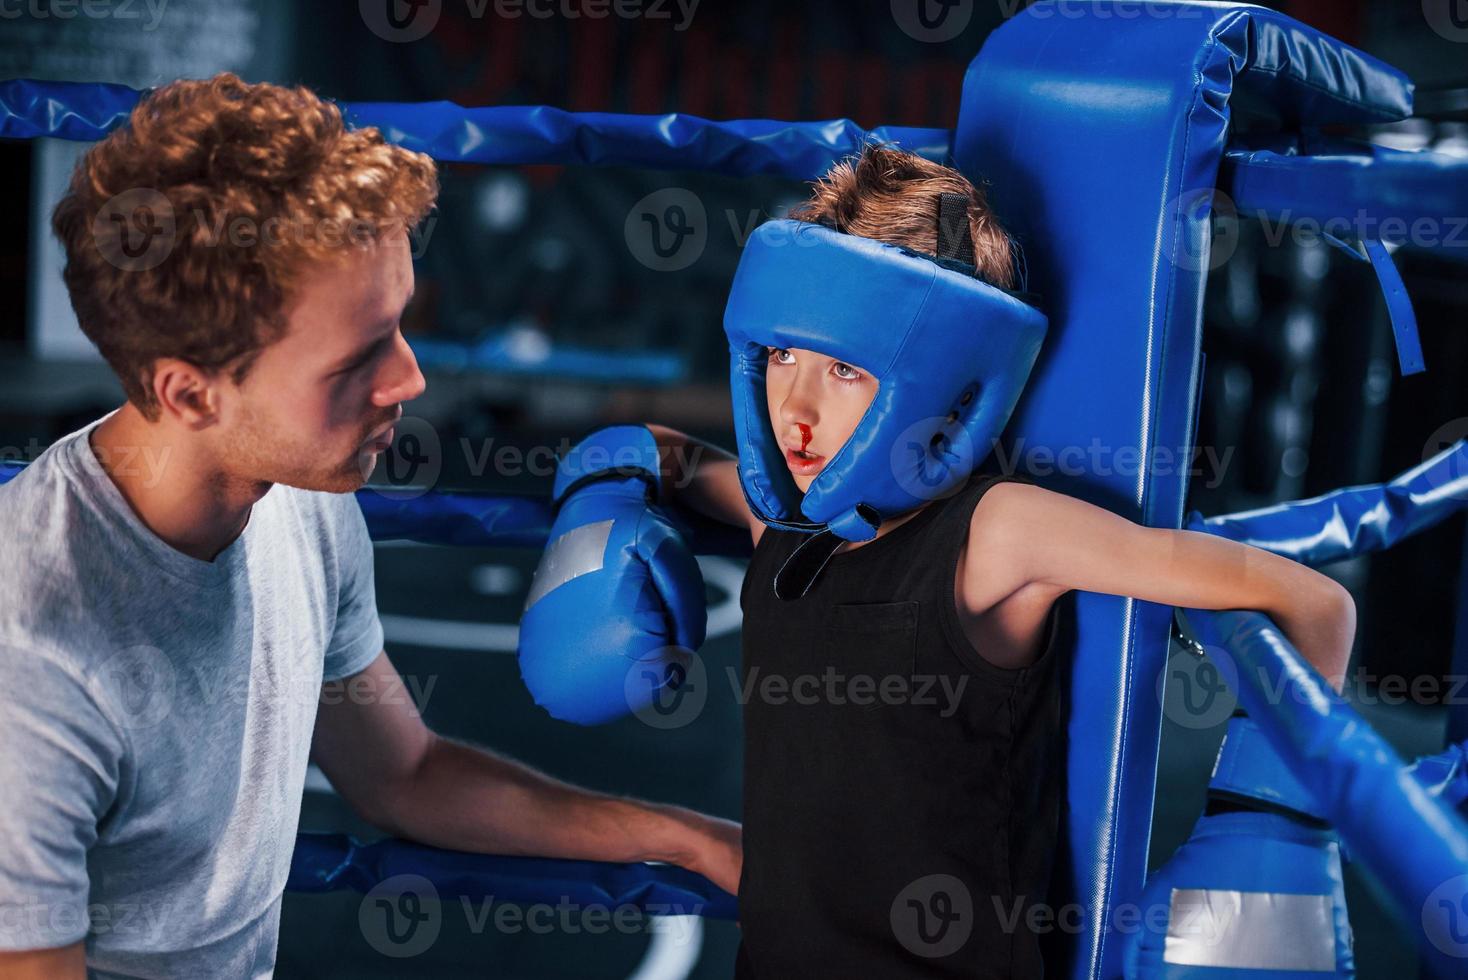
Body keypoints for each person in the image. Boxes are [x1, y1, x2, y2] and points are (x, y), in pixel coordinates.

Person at [0, 73, 740, 980]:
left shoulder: (302, 498)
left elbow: (405, 776)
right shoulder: (34, 660)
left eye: (400, 325)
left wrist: (694, 839)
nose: (410, 381)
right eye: (358, 360)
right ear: (189, 391)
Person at [645, 144, 1356, 977]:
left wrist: (1264, 829)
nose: (794, 408)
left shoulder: (998, 533)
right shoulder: (787, 521)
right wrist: (607, 484)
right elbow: (673, 460)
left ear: (943, 375)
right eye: (781, 357)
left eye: (844, 367)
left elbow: (1316, 604)